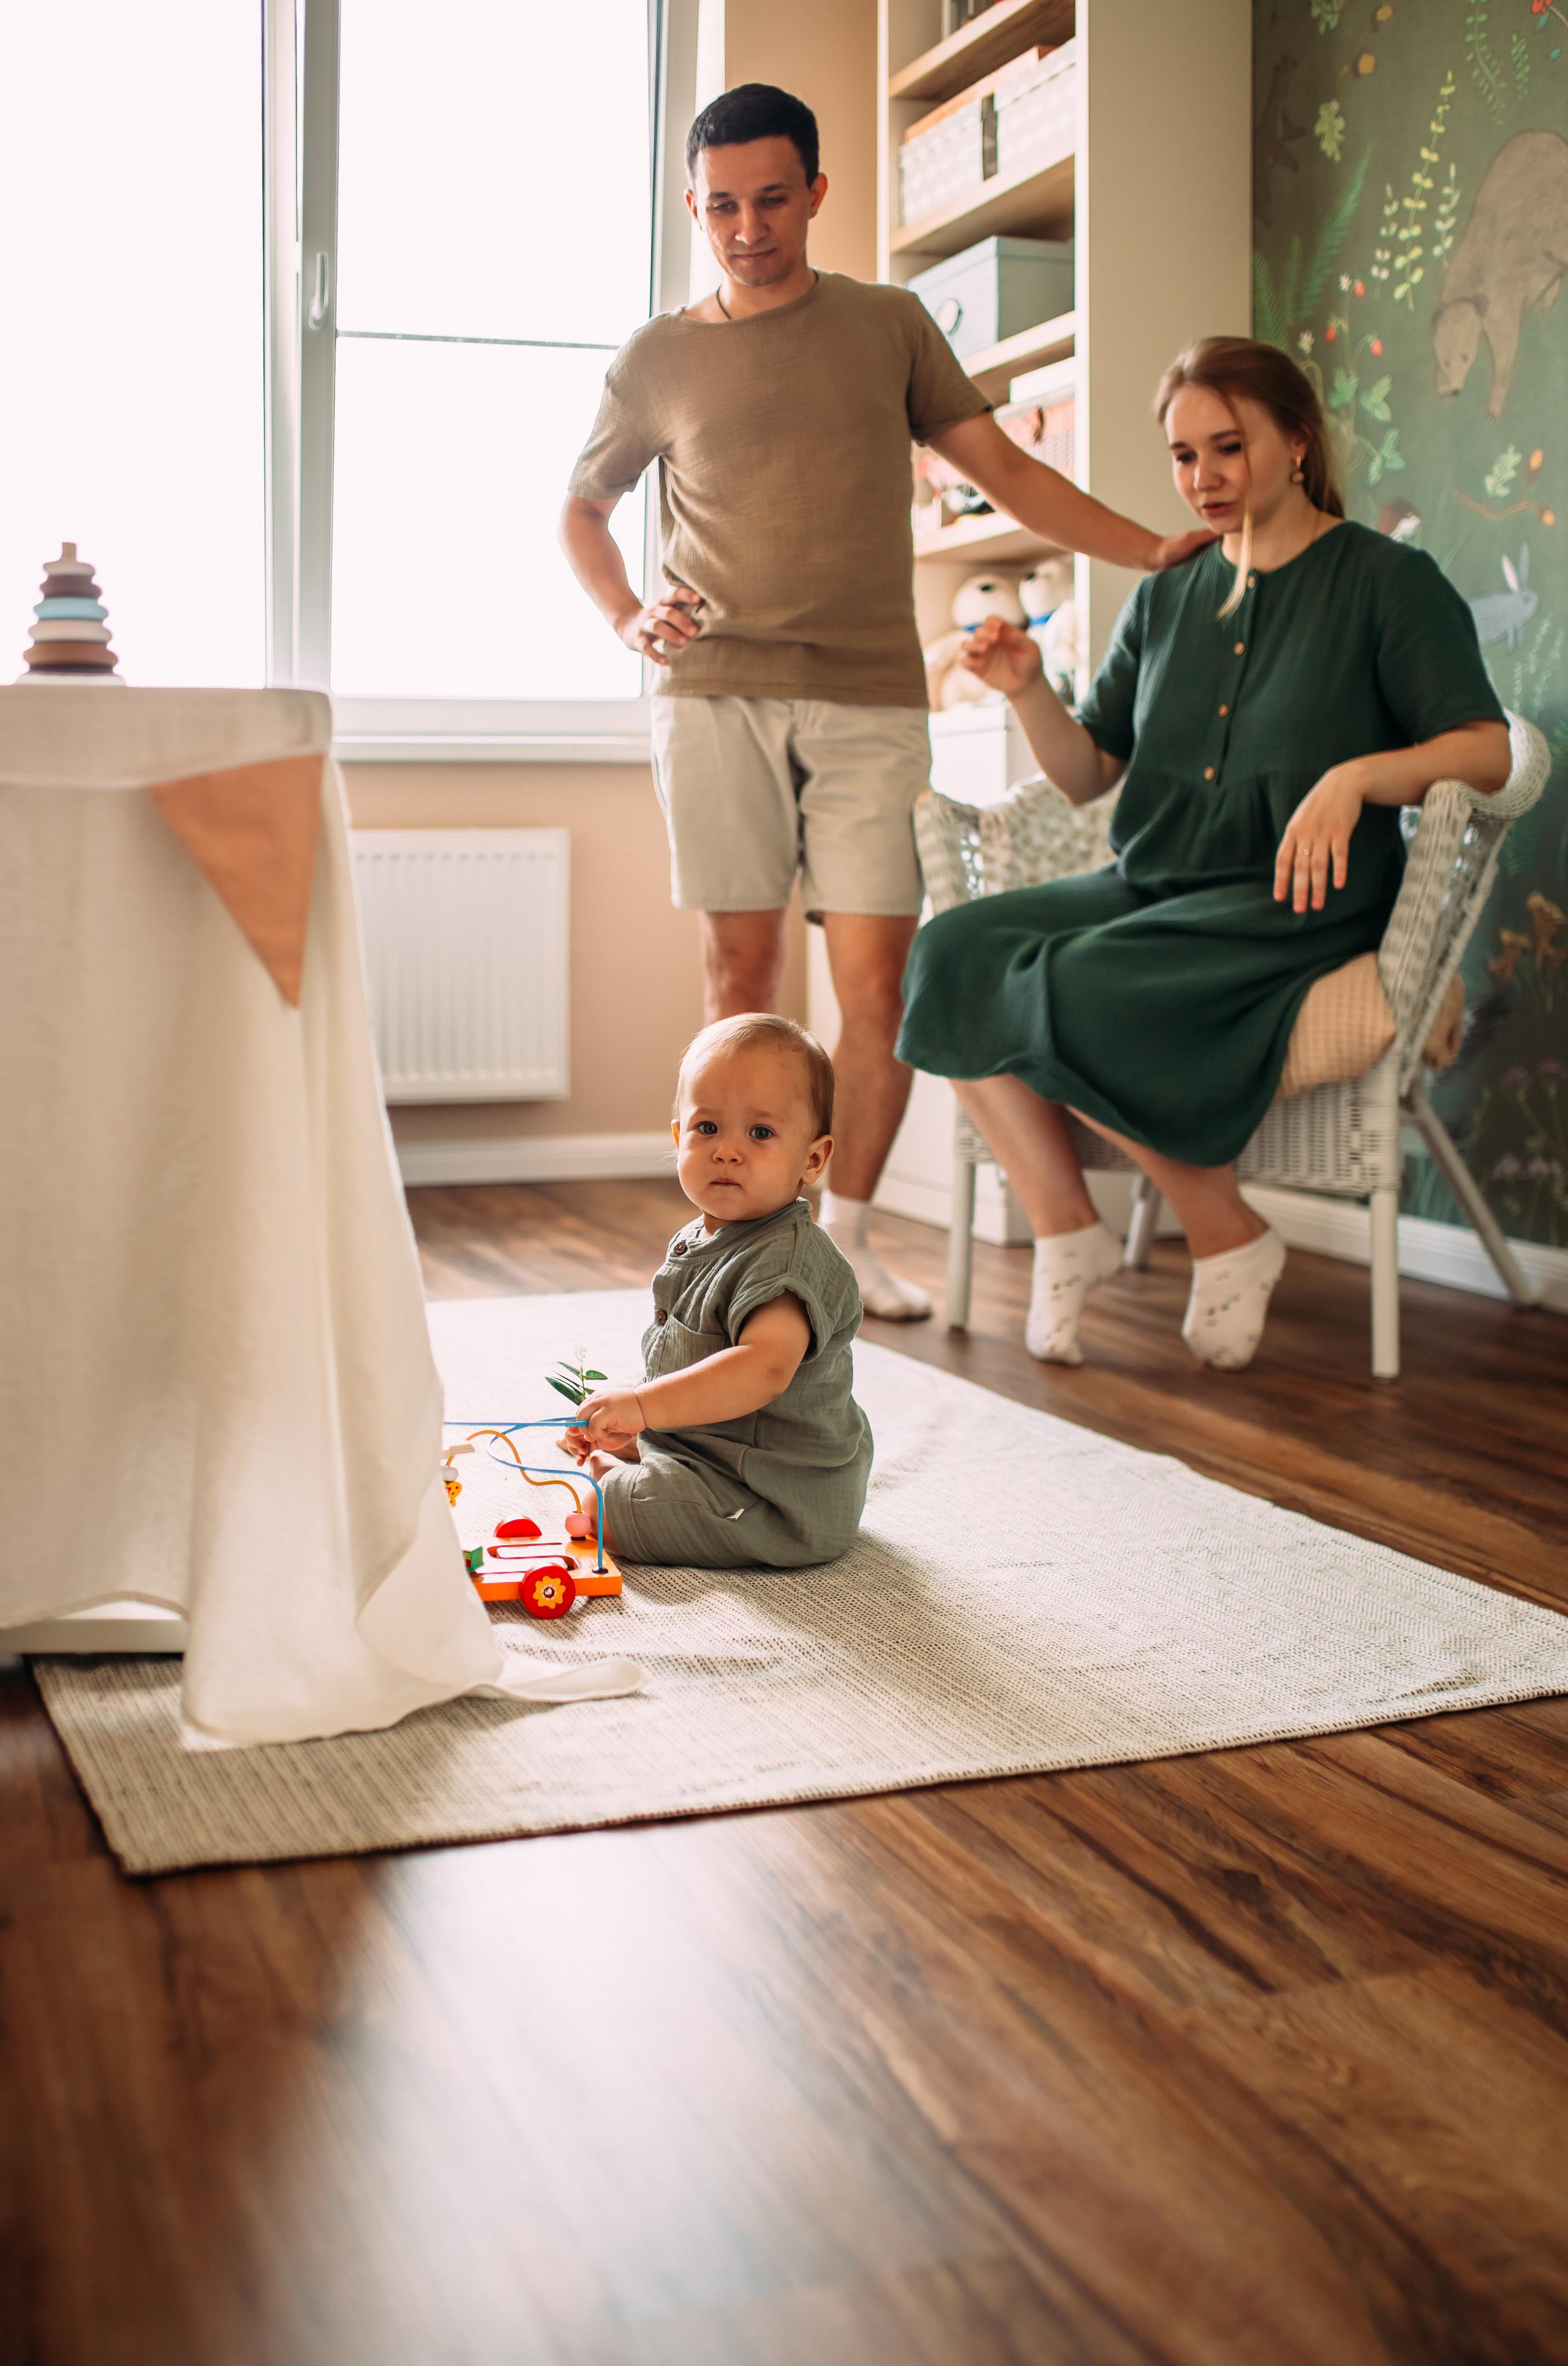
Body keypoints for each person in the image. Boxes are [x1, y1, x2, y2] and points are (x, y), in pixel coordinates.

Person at [559, 81, 1211, 1325]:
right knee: (742, 983)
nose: (747, 228)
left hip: (866, 697)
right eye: (720, 207)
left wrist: (1146, 550)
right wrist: (627, 615)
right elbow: (582, 512)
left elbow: (1004, 470)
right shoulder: (656, 358)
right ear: (694, 208)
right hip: (712, 695)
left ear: (814, 191)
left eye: (770, 200)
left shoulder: (889, 326)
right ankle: (743, 1256)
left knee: (880, 991)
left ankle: (834, 1249)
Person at [897, 336, 1511, 1373]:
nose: (1203, 478)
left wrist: (1358, 777)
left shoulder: (1387, 582)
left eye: (1229, 447)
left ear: (1299, 442)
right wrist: (1027, 688)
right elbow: (1088, 773)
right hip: (1146, 885)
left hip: (1292, 906)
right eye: (1184, 455)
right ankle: (1068, 1226)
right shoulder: (1167, 593)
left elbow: (1488, 750)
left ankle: (1223, 1230)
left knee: (1082, 980)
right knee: (947, 951)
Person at [559, 1013, 872, 1569]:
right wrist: (634, 1409)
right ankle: (653, 1452)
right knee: (618, 1422)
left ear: (813, 1159)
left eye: (760, 1133)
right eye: (707, 1128)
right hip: (717, 1447)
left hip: (774, 1494)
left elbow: (762, 1368)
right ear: (678, 1137)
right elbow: (693, 1358)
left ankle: (624, 1481)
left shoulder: (786, 1263)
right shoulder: (700, 1238)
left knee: (605, 1509)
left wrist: (643, 1407)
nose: (727, 1150)